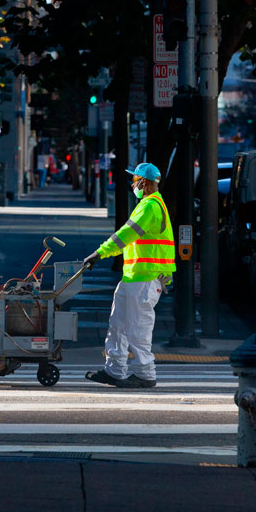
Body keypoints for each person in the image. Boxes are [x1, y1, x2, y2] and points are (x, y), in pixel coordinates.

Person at [84, 163, 176, 388]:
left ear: (144, 182)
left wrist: (100, 253)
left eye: (134, 179)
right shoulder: (147, 205)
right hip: (134, 277)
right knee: (118, 325)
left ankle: (145, 374)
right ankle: (114, 370)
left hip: (145, 279)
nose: (132, 183)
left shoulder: (150, 206)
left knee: (137, 328)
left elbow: (126, 234)